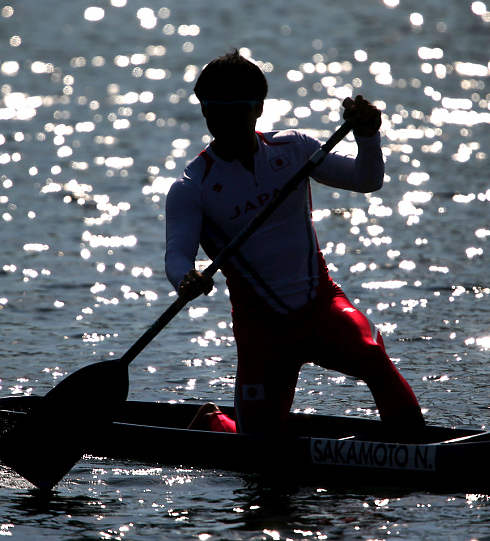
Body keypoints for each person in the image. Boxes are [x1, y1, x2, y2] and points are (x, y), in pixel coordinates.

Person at [165, 50, 424, 436]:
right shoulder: (192, 187)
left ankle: (417, 450)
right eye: (213, 110)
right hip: (261, 331)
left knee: (372, 356)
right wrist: (186, 278)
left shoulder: (295, 150)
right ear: (204, 112)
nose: (223, 120)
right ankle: (213, 423)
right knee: (257, 451)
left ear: (258, 108)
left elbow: (366, 180)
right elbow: (177, 255)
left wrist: (367, 137)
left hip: (322, 307)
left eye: (235, 109)